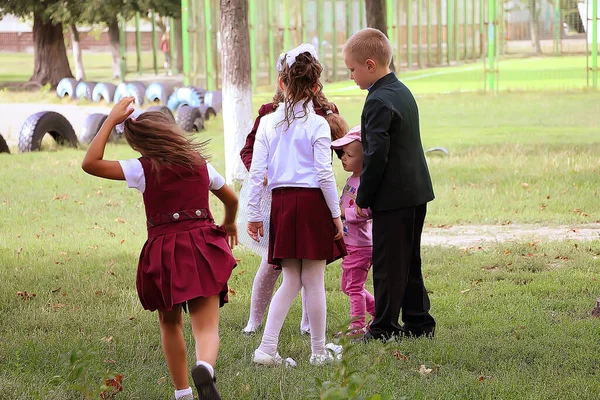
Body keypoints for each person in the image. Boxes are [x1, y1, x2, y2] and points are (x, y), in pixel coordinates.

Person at [81, 97, 237, 400]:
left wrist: (111, 120)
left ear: (139, 144)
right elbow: (231, 199)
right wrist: (229, 224)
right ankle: (204, 365)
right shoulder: (201, 164)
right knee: (206, 328)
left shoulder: (142, 168)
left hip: (165, 252)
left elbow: (90, 163)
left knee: (170, 323)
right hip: (203, 246)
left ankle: (183, 393)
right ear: (172, 132)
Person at [246, 43, 345, 366]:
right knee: (313, 281)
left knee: (290, 279)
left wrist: (253, 214)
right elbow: (324, 174)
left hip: (283, 205)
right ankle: (318, 352)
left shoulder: (267, 123)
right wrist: (336, 215)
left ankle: (267, 348)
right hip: (313, 203)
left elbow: (257, 172)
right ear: (316, 87)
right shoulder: (318, 123)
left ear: (281, 82)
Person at [343, 28, 436, 341]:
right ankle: (419, 323)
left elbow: (376, 155)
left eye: (352, 69)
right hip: (415, 191)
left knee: (387, 265)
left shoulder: (378, 101)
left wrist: (363, 197)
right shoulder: (400, 90)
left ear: (370, 65)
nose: (351, 76)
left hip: (394, 197)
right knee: (408, 261)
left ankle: (383, 327)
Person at [330, 125, 376, 337]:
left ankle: (357, 328)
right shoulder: (352, 179)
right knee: (347, 286)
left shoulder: (366, 182)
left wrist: (343, 212)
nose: (343, 159)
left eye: (349, 155)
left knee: (354, 287)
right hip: (350, 243)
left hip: (361, 245)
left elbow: (366, 211)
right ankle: (379, 312)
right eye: (343, 154)